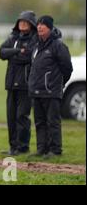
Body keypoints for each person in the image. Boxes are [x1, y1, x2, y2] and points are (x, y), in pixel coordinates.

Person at [28, 15, 73, 158]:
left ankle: (55, 150)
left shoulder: (58, 46)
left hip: (51, 91)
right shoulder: (36, 45)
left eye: (43, 25)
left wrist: (58, 83)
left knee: (53, 122)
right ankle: (42, 149)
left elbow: (67, 68)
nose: (40, 27)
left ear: (50, 28)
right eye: (39, 25)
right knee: (39, 122)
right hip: (37, 91)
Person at [0, 10, 38, 156]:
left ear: (31, 24)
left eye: (25, 21)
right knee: (11, 117)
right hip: (11, 84)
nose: (22, 23)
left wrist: (13, 55)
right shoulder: (13, 38)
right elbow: (1, 52)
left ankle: (23, 147)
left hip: (26, 85)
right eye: (20, 21)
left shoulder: (35, 39)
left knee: (22, 117)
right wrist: (17, 51)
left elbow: (28, 57)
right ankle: (12, 147)